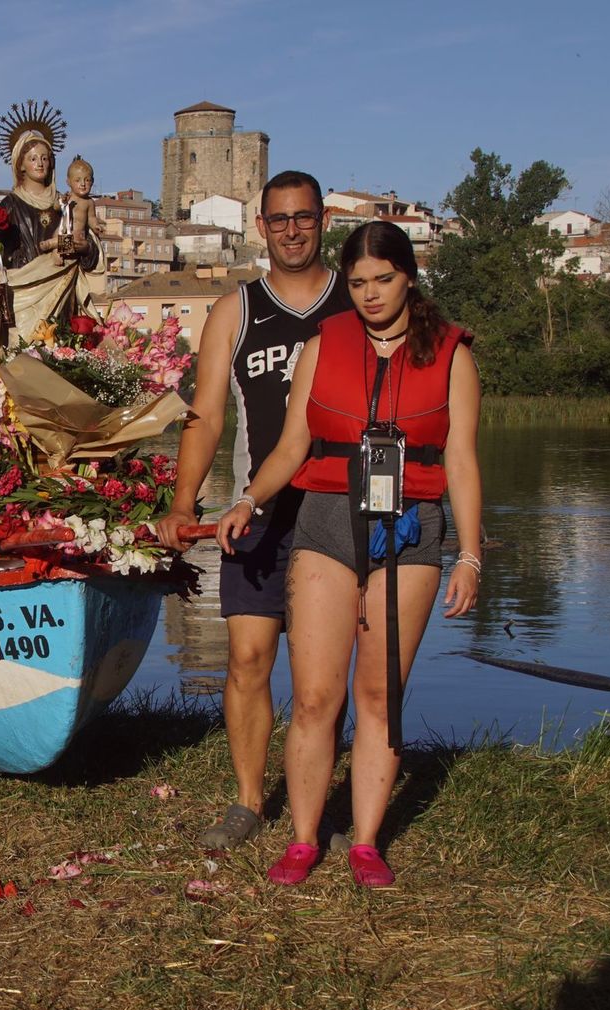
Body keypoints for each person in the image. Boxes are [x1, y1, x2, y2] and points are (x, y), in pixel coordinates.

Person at [214, 220, 482, 886]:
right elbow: (291, 444)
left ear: (409, 277)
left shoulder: (452, 352)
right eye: (357, 282)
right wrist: (250, 499)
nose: (368, 294)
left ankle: (364, 841)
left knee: (379, 693)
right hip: (326, 522)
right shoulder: (322, 343)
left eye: (383, 280)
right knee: (314, 696)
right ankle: (304, 838)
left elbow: (463, 460)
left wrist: (471, 553)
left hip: (412, 528)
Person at [154, 171, 353, 851]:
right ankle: (247, 800)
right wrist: (184, 502)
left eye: (304, 217)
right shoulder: (235, 310)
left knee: (322, 676)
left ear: (323, 220)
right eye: (280, 218)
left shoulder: (352, 303)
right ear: (260, 226)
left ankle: (315, 795)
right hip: (254, 511)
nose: (293, 229)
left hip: (336, 509)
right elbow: (206, 416)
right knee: (246, 658)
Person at [0, 101, 100, 346]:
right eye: (32, 159)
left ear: (52, 162)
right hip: (24, 290)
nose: (40, 163)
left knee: (59, 349)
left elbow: (90, 248)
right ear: (20, 164)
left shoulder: (67, 203)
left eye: (44, 158)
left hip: (62, 290)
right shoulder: (9, 205)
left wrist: (82, 247)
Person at [43, 155, 102, 266]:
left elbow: (91, 218)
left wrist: (96, 226)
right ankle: (54, 248)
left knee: (75, 242)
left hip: (78, 233)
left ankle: (52, 245)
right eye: (77, 180)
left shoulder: (89, 202)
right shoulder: (68, 197)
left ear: (92, 182)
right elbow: (56, 207)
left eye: (87, 180)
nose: (83, 184)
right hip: (64, 229)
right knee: (61, 236)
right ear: (68, 182)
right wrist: (62, 201)